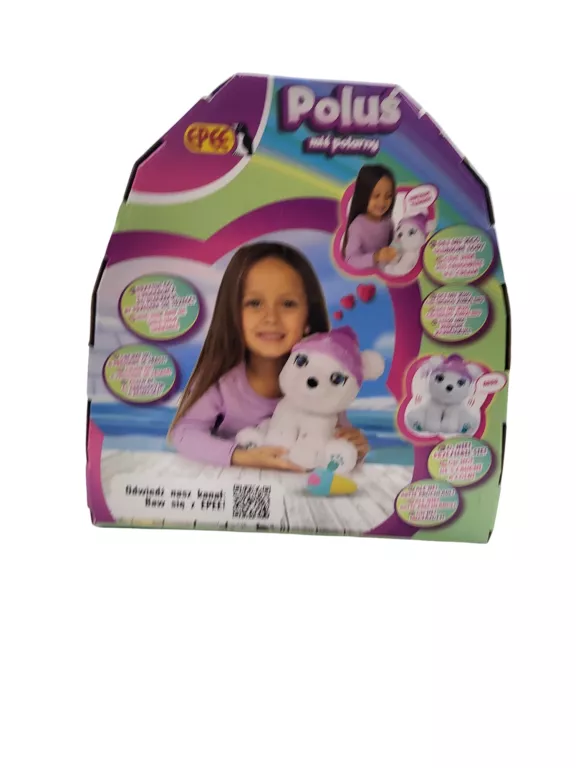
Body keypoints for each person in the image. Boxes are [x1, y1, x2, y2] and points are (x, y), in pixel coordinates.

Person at [168, 242, 369, 471]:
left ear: (308, 318)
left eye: (288, 304)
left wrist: (352, 446)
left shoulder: (323, 380)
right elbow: (184, 434)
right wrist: (242, 456)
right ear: (233, 313)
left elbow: (334, 440)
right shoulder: (221, 381)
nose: (271, 317)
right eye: (254, 303)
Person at [343, 164, 398, 269]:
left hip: (386, 271)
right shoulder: (357, 226)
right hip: (366, 275)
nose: (382, 202)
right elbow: (350, 260)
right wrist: (376, 257)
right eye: (376, 196)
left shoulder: (387, 221)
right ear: (364, 194)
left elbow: (393, 244)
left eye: (388, 196)